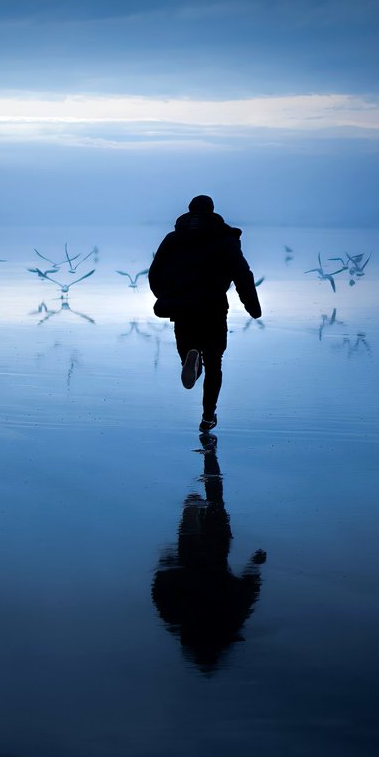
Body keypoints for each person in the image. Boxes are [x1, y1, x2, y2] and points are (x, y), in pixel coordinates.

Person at [151, 433, 266, 674]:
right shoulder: (217, 620)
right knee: (211, 502)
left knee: (212, 501)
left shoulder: (189, 619)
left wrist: (255, 564)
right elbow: (249, 590)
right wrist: (255, 565)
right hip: (205, 550)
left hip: (205, 551)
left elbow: (248, 590)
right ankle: (209, 458)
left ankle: (209, 458)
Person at [148, 195, 261, 431]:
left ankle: (192, 356)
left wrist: (166, 295)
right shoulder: (225, 239)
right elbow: (242, 274)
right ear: (212, 211)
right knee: (214, 364)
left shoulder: (173, 238)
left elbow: (155, 271)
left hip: (181, 307)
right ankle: (208, 416)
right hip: (213, 306)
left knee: (187, 354)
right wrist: (252, 307)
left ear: (189, 210)